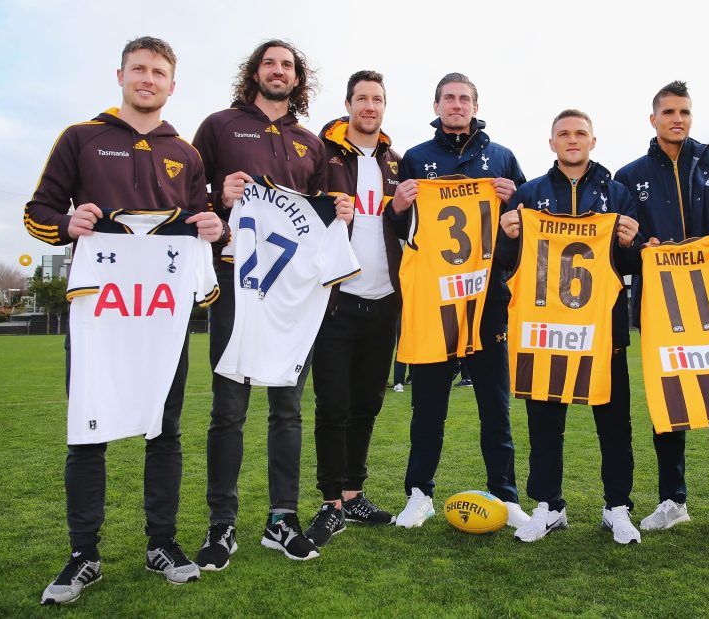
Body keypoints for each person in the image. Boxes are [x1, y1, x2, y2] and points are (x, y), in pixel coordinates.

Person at [25, 37, 227, 604]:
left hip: (162, 319)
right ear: (120, 75)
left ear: (172, 84)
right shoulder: (80, 138)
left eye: (159, 71)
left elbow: (200, 222)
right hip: (99, 314)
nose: (148, 78)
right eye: (139, 69)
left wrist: (214, 229)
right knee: (88, 434)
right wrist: (69, 223)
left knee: (165, 432)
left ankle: (161, 542)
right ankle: (82, 554)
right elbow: (37, 212)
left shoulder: (186, 153)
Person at [192, 39, 352, 569]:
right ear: (254, 72)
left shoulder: (311, 143)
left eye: (287, 65)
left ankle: (281, 518)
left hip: (293, 296)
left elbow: (327, 215)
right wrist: (220, 196)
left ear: (297, 77)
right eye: (269, 63)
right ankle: (223, 523)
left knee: (286, 408)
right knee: (229, 408)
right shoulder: (218, 126)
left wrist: (341, 211)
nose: (278, 71)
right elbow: (191, 200)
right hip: (239, 282)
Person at [615, 81, 709, 541]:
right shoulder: (629, 175)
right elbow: (618, 253)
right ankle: (672, 500)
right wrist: (639, 248)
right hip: (662, 308)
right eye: (669, 112)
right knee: (668, 404)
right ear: (653, 118)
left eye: (685, 112)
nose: (678, 119)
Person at [388, 72, 530, 528]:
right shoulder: (416, 158)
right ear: (436, 106)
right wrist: (398, 207)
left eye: (464, 98)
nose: (456, 105)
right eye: (448, 98)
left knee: (495, 405)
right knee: (428, 405)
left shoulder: (502, 157)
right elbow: (401, 234)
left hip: (488, 298)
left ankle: (506, 496)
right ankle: (418, 494)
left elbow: (527, 227)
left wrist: (514, 205)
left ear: (475, 105)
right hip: (436, 301)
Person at [496, 109, 642, 543]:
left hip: (603, 331)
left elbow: (632, 267)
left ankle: (617, 507)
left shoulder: (618, 194)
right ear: (551, 143)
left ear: (593, 141)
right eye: (563, 134)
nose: (572, 139)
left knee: (614, 424)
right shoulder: (528, 194)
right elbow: (505, 265)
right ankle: (548, 505)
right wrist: (507, 233)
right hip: (546, 332)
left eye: (580, 133)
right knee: (544, 425)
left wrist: (631, 242)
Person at [303, 70, 401, 546]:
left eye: (377, 99)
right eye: (361, 98)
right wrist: (326, 207)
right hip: (336, 300)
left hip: (385, 299)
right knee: (333, 404)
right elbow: (296, 206)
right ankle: (330, 503)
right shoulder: (321, 155)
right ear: (347, 104)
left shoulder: (396, 163)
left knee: (367, 403)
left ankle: (353, 492)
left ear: (385, 106)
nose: (369, 105)